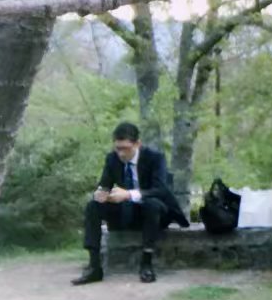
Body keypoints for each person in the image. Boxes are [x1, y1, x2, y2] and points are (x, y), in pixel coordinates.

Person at [72, 122, 189, 285]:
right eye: (118, 148)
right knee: (93, 206)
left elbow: (161, 190)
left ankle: (146, 264)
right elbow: (104, 184)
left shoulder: (155, 158)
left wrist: (128, 194)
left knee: (152, 204)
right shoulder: (112, 159)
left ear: (137, 144)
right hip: (126, 212)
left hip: (154, 213)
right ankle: (94, 266)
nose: (121, 153)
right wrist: (101, 193)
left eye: (125, 148)